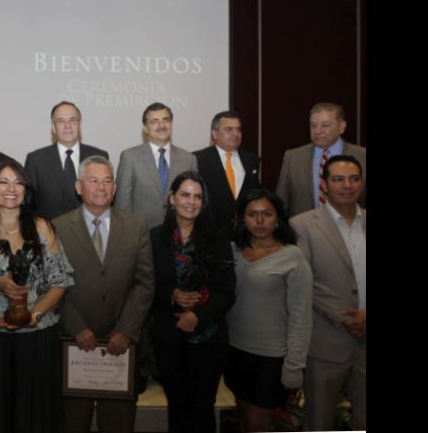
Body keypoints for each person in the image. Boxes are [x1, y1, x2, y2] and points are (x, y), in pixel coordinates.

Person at [0, 158, 74, 433]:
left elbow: (61, 281)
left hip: (38, 336)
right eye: (4, 181)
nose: (11, 188)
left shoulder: (43, 227)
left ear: (27, 190)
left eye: (18, 182)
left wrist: (34, 315)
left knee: (36, 415)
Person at [53, 155, 154, 433]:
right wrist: (76, 327)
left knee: (118, 423)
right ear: (78, 186)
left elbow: (145, 283)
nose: (101, 187)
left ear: (115, 187)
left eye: (107, 181)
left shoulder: (136, 225)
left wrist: (126, 329)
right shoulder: (57, 227)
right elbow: (52, 284)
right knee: (73, 422)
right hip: (73, 344)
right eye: (93, 180)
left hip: (121, 345)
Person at [148, 170, 236, 433]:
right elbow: (146, 284)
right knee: (177, 408)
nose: (191, 201)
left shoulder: (217, 238)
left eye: (198, 197)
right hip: (168, 339)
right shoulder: (155, 238)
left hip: (209, 340)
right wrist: (171, 295)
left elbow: (227, 290)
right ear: (172, 198)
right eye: (185, 194)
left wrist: (198, 316)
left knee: (202, 410)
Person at [224, 188, 312, 432]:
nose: (260, 221)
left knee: (257, 424)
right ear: (242, 218)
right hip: (235, 351)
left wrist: (294, 366)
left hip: (271, 358)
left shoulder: (292, 256)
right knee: (242, 417)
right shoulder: (231, 251)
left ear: (278, 219)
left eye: (267, 214)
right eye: (253, 214)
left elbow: (301, 316)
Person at [290, 155, 366, 431]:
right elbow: (305, 280)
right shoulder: (302, 225)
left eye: (354, 178)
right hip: (326, 343)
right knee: (318, 422)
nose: (347, 185)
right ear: (324, 185)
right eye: (338, 179)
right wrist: (347, 318)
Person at [115, 102, 197, 229]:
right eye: (154, 121)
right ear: (146, 128)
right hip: (141, 235)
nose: (161, 125)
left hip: (179, 235)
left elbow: (195, 202)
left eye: (166, 120)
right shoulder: (129, 157)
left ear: (171, 124)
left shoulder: (189, 159)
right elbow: (122, 205)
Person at [276, 102, 366, 217]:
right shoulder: (293, 157)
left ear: (342, 127)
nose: (318, 131)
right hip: (303, 232)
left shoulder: (363, 156)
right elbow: (281, 203)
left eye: (325, 125)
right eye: (313, 125)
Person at [24, 101, 109, 220]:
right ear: (53, 127)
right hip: (50, 233)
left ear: (80, 125)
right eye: (61, 121)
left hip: (90, 233)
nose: (67, 126)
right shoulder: (36, 160)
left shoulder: (99, 156)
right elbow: (28, 204)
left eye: (72, 120)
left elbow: (106, 198)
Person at [193, 111, 261, 237]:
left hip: (245, 235)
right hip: (210, 236)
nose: (235, 134)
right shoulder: (197, 159)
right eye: (229, 129)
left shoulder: (252, 160)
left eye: (238, 130)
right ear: (214, 134)